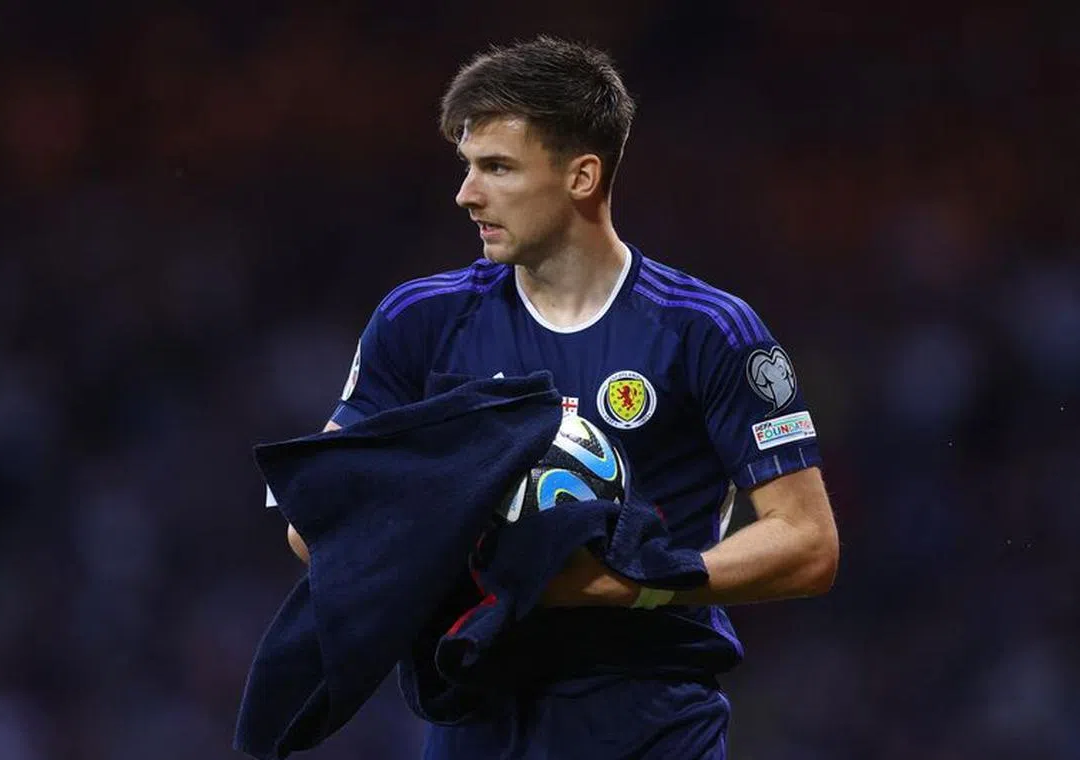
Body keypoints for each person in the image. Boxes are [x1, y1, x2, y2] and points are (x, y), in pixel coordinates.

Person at [284, 35, 838, 760]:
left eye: (498, 167)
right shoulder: (419, 321)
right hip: (473, 720)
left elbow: (807, 544)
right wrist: (452, 542)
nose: (466, 193)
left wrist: (630, 585)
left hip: (649, 721)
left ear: (582, 176)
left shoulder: (707, 330)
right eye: (467, 166)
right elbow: (313, 525)